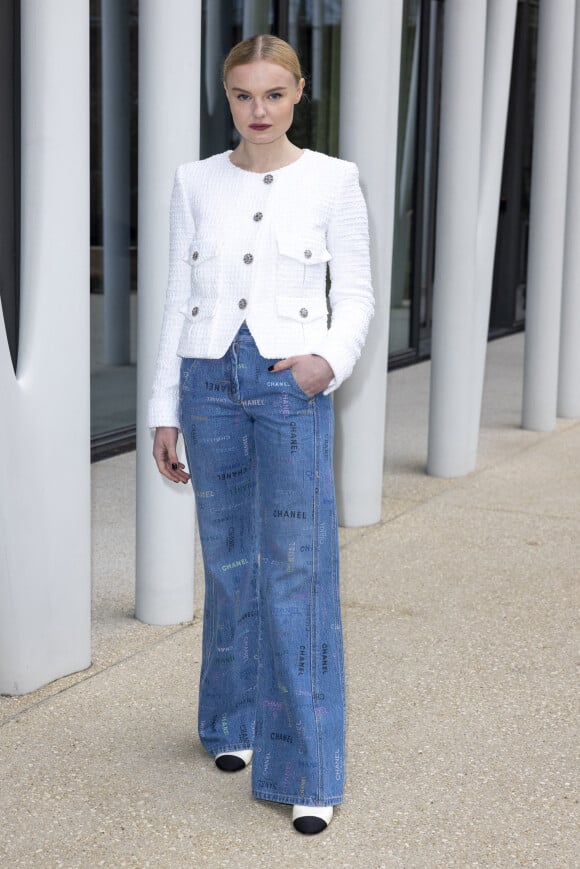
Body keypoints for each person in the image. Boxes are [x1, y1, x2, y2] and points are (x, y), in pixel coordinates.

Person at [149, 34, 373, 835]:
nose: (258, 110)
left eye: (273, 95)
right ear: (227, 96)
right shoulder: (193, 181)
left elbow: (356, 293)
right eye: (244, 95)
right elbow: (177, 297)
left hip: (289, 383)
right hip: (207, 381)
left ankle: (309, 769)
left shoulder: (333, 181)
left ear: (298, 93)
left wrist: (328, 363)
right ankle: (231, 722)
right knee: (231, 563)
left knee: (297, 570)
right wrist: (163, 408)